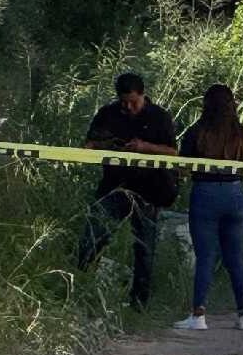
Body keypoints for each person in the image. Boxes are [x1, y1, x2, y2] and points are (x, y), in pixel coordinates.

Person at [77, 73, 179, 310]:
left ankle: (139, 303)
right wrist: (109, 145)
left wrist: (145, 147)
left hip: (148, 190)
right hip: (114, 186)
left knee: (144, 248)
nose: (129, 107)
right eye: (124, 102)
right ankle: (81, 290)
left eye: (133, 102)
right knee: (93, 237)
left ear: (143, 95)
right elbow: (88, 146)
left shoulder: (159, 117)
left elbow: (173, 153)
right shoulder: (108, 114)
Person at [173, 84, 243, 331]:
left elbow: (183, 164)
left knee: (205, 257)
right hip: (236, 195)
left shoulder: (197, 132)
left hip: (205, 193)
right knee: (235, 257)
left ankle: (198, 315)